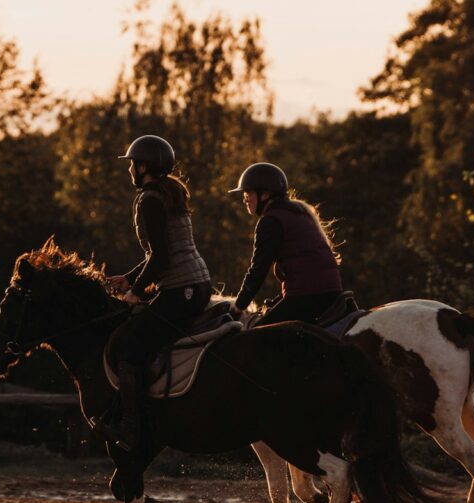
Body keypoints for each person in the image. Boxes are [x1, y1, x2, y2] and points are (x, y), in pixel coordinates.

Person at [100, 135, 212, 451]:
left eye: (132, 164)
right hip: (196, 284)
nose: (130, 170)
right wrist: (129, 278)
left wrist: (135, 292)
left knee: (129, 346)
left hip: (180, 290)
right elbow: (159, 253)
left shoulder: (150, 199)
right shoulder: (168, 192)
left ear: (144, 167)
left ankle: (132, 428)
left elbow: (161, 256)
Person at [228, 162, 343, 327]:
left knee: (255, 336)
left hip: (307, 295)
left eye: (248, 194)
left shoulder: (271, 221)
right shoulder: (299, 213)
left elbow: (258, 270)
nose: (245, 200)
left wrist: (238, 307)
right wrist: (280, 300)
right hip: (331, 291)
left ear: (265, 194)